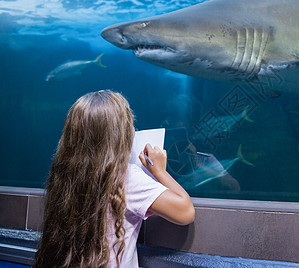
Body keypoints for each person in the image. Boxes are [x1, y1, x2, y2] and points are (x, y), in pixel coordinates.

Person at [34, 90, 195, 268]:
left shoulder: (64, 175)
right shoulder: (126, 177)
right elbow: (185, 212)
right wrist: (159, 171)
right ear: (123, 135)